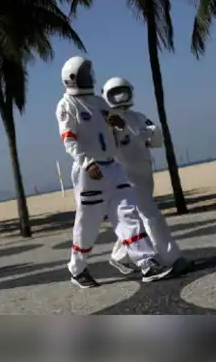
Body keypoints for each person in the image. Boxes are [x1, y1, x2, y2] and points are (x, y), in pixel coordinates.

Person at [56, 56, 173, 288]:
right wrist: (87, 162)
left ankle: (146, 262)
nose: (90, 77)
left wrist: (118, 124)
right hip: (89, 171)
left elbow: (112, 121)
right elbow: (69, 139)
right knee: (88, 222)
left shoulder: (99, 103)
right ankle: (77, 269)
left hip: (112, 167)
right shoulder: (67, 105)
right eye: (85, 74)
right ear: (72, 79)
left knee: (127, 213)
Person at [101, 77, 186, 275]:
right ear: (106, 95)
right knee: (151, 215)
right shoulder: (108, 122)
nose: (120, 97)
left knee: (139, 218)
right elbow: (113, 146)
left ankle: (119, 256)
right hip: (126, 175)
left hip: (144, 172)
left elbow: (156, 137)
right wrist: (124, 131)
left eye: (123, 91)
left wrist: (147, 133)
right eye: (115, 93)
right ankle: (171, 257)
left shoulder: (137, 116)